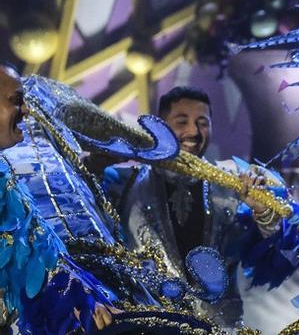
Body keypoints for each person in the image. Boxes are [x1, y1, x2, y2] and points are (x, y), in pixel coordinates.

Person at [93, 85, 288, 328]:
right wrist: (99, 158)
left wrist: (262, 210)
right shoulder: (124, 183)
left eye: (202, 122)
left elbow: (280, 249)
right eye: (181, 121)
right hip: (148, 328)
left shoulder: (235, 183)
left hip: (221, 328)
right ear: (160, 127)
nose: (193, 131)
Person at [0, 63, 117, 332]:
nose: (27, 111)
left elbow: (41, 260)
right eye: (16, 101)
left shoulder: (5, 176)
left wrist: (85, 297)